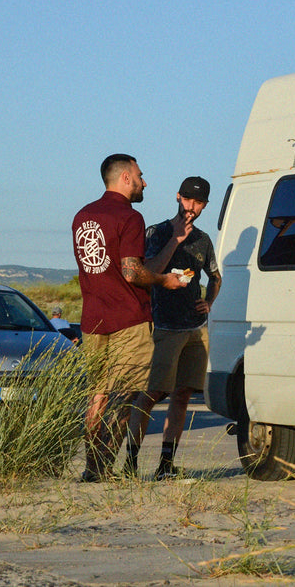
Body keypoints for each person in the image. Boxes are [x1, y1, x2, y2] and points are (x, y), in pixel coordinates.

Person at [72, 154, 184, 483]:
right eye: (139, 175)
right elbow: (132, 272)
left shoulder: (82, 216)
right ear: (124, 178)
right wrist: (166, 280)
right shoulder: (129, 217)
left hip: (93, 317)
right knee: (126, 395)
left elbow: (102, 266)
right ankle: (105, 467)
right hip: (128, 318)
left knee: (98, 394)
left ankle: (92, 467)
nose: (144, 182)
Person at [124, 176, 221, 479]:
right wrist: (176, 239)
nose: (192, 207)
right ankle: (130, 462)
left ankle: (166, 466)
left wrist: (209, 302)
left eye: (199, 202)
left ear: (205, 204)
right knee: (151, 394)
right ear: (177, 197)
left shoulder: (204, 239)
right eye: (188, 200)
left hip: (194, 328)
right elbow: (149, 269)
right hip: (163, 326)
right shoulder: (158, 231)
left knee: (182, 395)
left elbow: (215, 276)